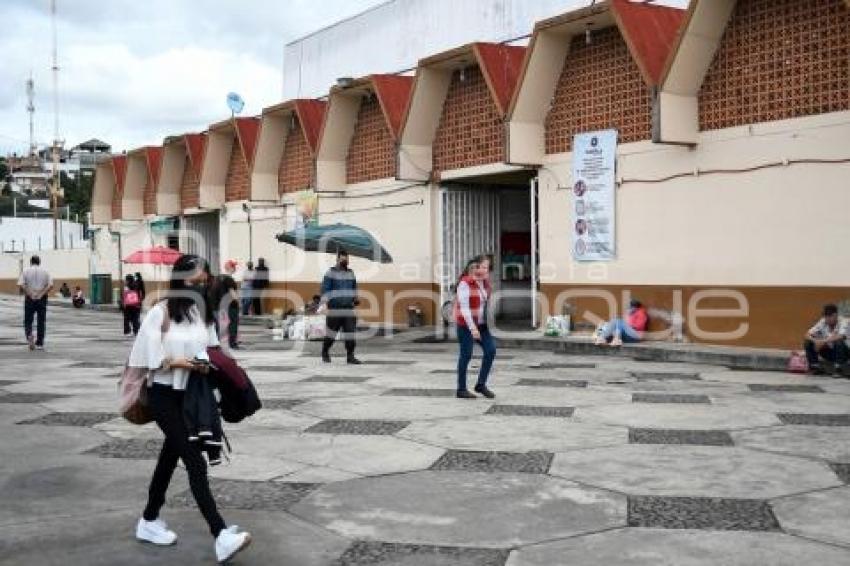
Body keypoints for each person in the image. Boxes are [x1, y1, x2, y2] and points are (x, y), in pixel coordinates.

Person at [128, 254, 251, 562]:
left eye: (203, 280)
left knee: (169, 459)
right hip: (164, 397)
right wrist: (183, 362)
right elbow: (148, 359)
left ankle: (149, 519)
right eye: (194, 280)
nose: (199, 284)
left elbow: (209, 352)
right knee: (195, 463)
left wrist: (209, 365)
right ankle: (220, 534)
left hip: (191, 397)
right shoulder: (160, 313)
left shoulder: (201, 314)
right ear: (179, 279)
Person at [453, 254, 497, 399]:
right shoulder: (464, 283)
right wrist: (472, 328)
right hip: (466, 325)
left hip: (482, 325)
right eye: (483, 267)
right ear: (475, 267)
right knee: (466, 355)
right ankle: (461, 389)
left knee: (490, 351)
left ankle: (480, 385)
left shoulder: (484, 283)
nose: (486, 270)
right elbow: (464, 308)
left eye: (487, 267)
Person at [319, 250, 361, 364]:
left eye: (346, 259)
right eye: (343, 259)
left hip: (348, 308)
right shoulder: (330, 272)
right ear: (337, 259)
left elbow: (354, 287)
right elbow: (325, 290)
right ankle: (325, 351)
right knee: (331, 334)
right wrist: (325, 305)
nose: (345, 261)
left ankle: (350, 356)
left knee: (350, 333)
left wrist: (355, 298)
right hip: (334, 308)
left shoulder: (351, 272)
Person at [17, 255, 53, 351]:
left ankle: (29, 335)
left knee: (28, 320)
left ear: (31, 262)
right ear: (39, 262)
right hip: (42, 298)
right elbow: (50, 285)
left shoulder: (25, 271)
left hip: (30, 298)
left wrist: (30, 294)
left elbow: (21, 284)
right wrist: (41, 294)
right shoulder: (45, 271)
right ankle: (40, 343)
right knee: (41, 321)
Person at [804, 304, 849, 376]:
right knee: (808, 342)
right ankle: (815, 367)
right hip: (831, 352)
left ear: (835, 315)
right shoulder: (823, 321)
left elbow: (841, 336)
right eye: (826, 316)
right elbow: (807, 334)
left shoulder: (845, 321)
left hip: (845, 353)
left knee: (838, 342)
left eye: (829, 316)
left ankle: (838, 369)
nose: (827, 319)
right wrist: (815, 341)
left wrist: (822, 341)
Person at [210, 274, 240, 350]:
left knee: (218, 326)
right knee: (232, 324)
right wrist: (238, 302)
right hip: (231, 306)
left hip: (217, 306)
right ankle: (232, 343)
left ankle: (216, 343)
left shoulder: (214, 282)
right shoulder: (229, 280)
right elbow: (233, 293)